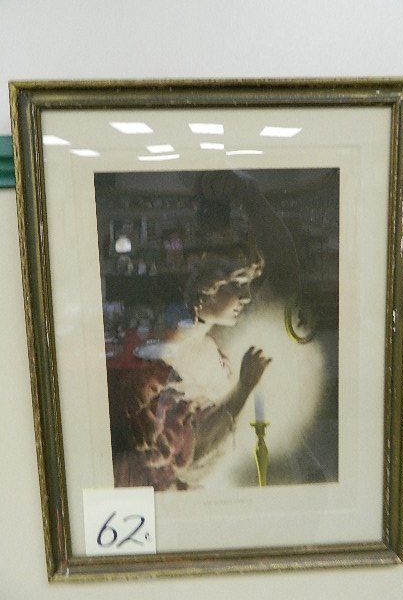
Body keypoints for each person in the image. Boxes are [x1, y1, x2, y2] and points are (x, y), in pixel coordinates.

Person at [108, 171, 299, 491]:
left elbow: (285, 275)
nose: (246, 297)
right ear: (201, 288)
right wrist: (243, 389)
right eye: (235, 285)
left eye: (247, 285)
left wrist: (250, 194)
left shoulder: (212, 333)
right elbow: (191, 456)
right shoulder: (169, 356)